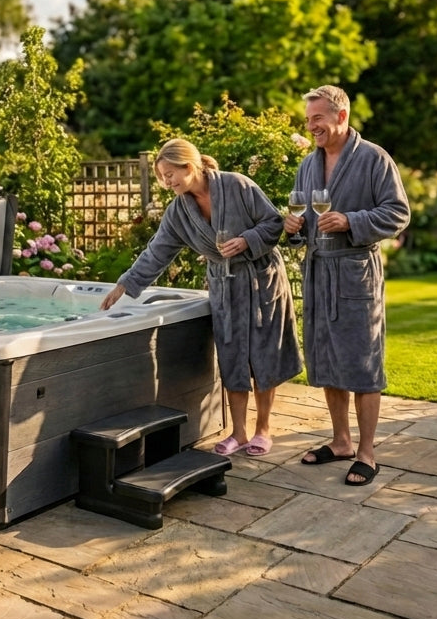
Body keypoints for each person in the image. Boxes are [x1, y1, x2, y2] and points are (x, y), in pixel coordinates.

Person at [101, 138, 303, 457]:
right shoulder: (179, 211)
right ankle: (238, 432)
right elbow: (157, 251)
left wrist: (247, 241)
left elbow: (273, 223)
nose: (167, 182)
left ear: (189, 166)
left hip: (261, 279)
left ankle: (263, 430)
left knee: (266, 355)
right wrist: (125, 284)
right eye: (162, 177)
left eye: (171, 174)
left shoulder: (237, 185)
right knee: (232, 357)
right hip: (225, 284)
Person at [282, 85, 410, 486]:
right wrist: (293, 229)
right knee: (327, 360)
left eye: (317, 118)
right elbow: (305, 221)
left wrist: (351, 221)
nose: (311, 126)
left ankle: (368, 452)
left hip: (356, 272)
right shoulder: (308, 165)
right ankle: (340, 442)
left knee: (361, 362)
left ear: (340, 116)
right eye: (308, 120)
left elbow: (398, 212)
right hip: (319, 271)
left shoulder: (374, 159)